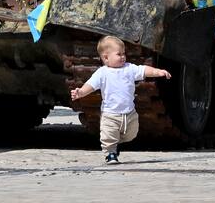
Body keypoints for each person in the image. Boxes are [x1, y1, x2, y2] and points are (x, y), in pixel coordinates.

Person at [71, 35, 171, 164]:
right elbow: (91, 85)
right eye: (119, 54)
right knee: (108, 136)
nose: (123, 57)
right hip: (110, 114)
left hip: (129, 113)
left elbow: (144, 70)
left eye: (124, 54)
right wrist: (81, 92)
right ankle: (110, 153)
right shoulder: (102, 73)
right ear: (106, 58)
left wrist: (158, 72)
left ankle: (115, 143)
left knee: (132, 134)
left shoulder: (129, 69)